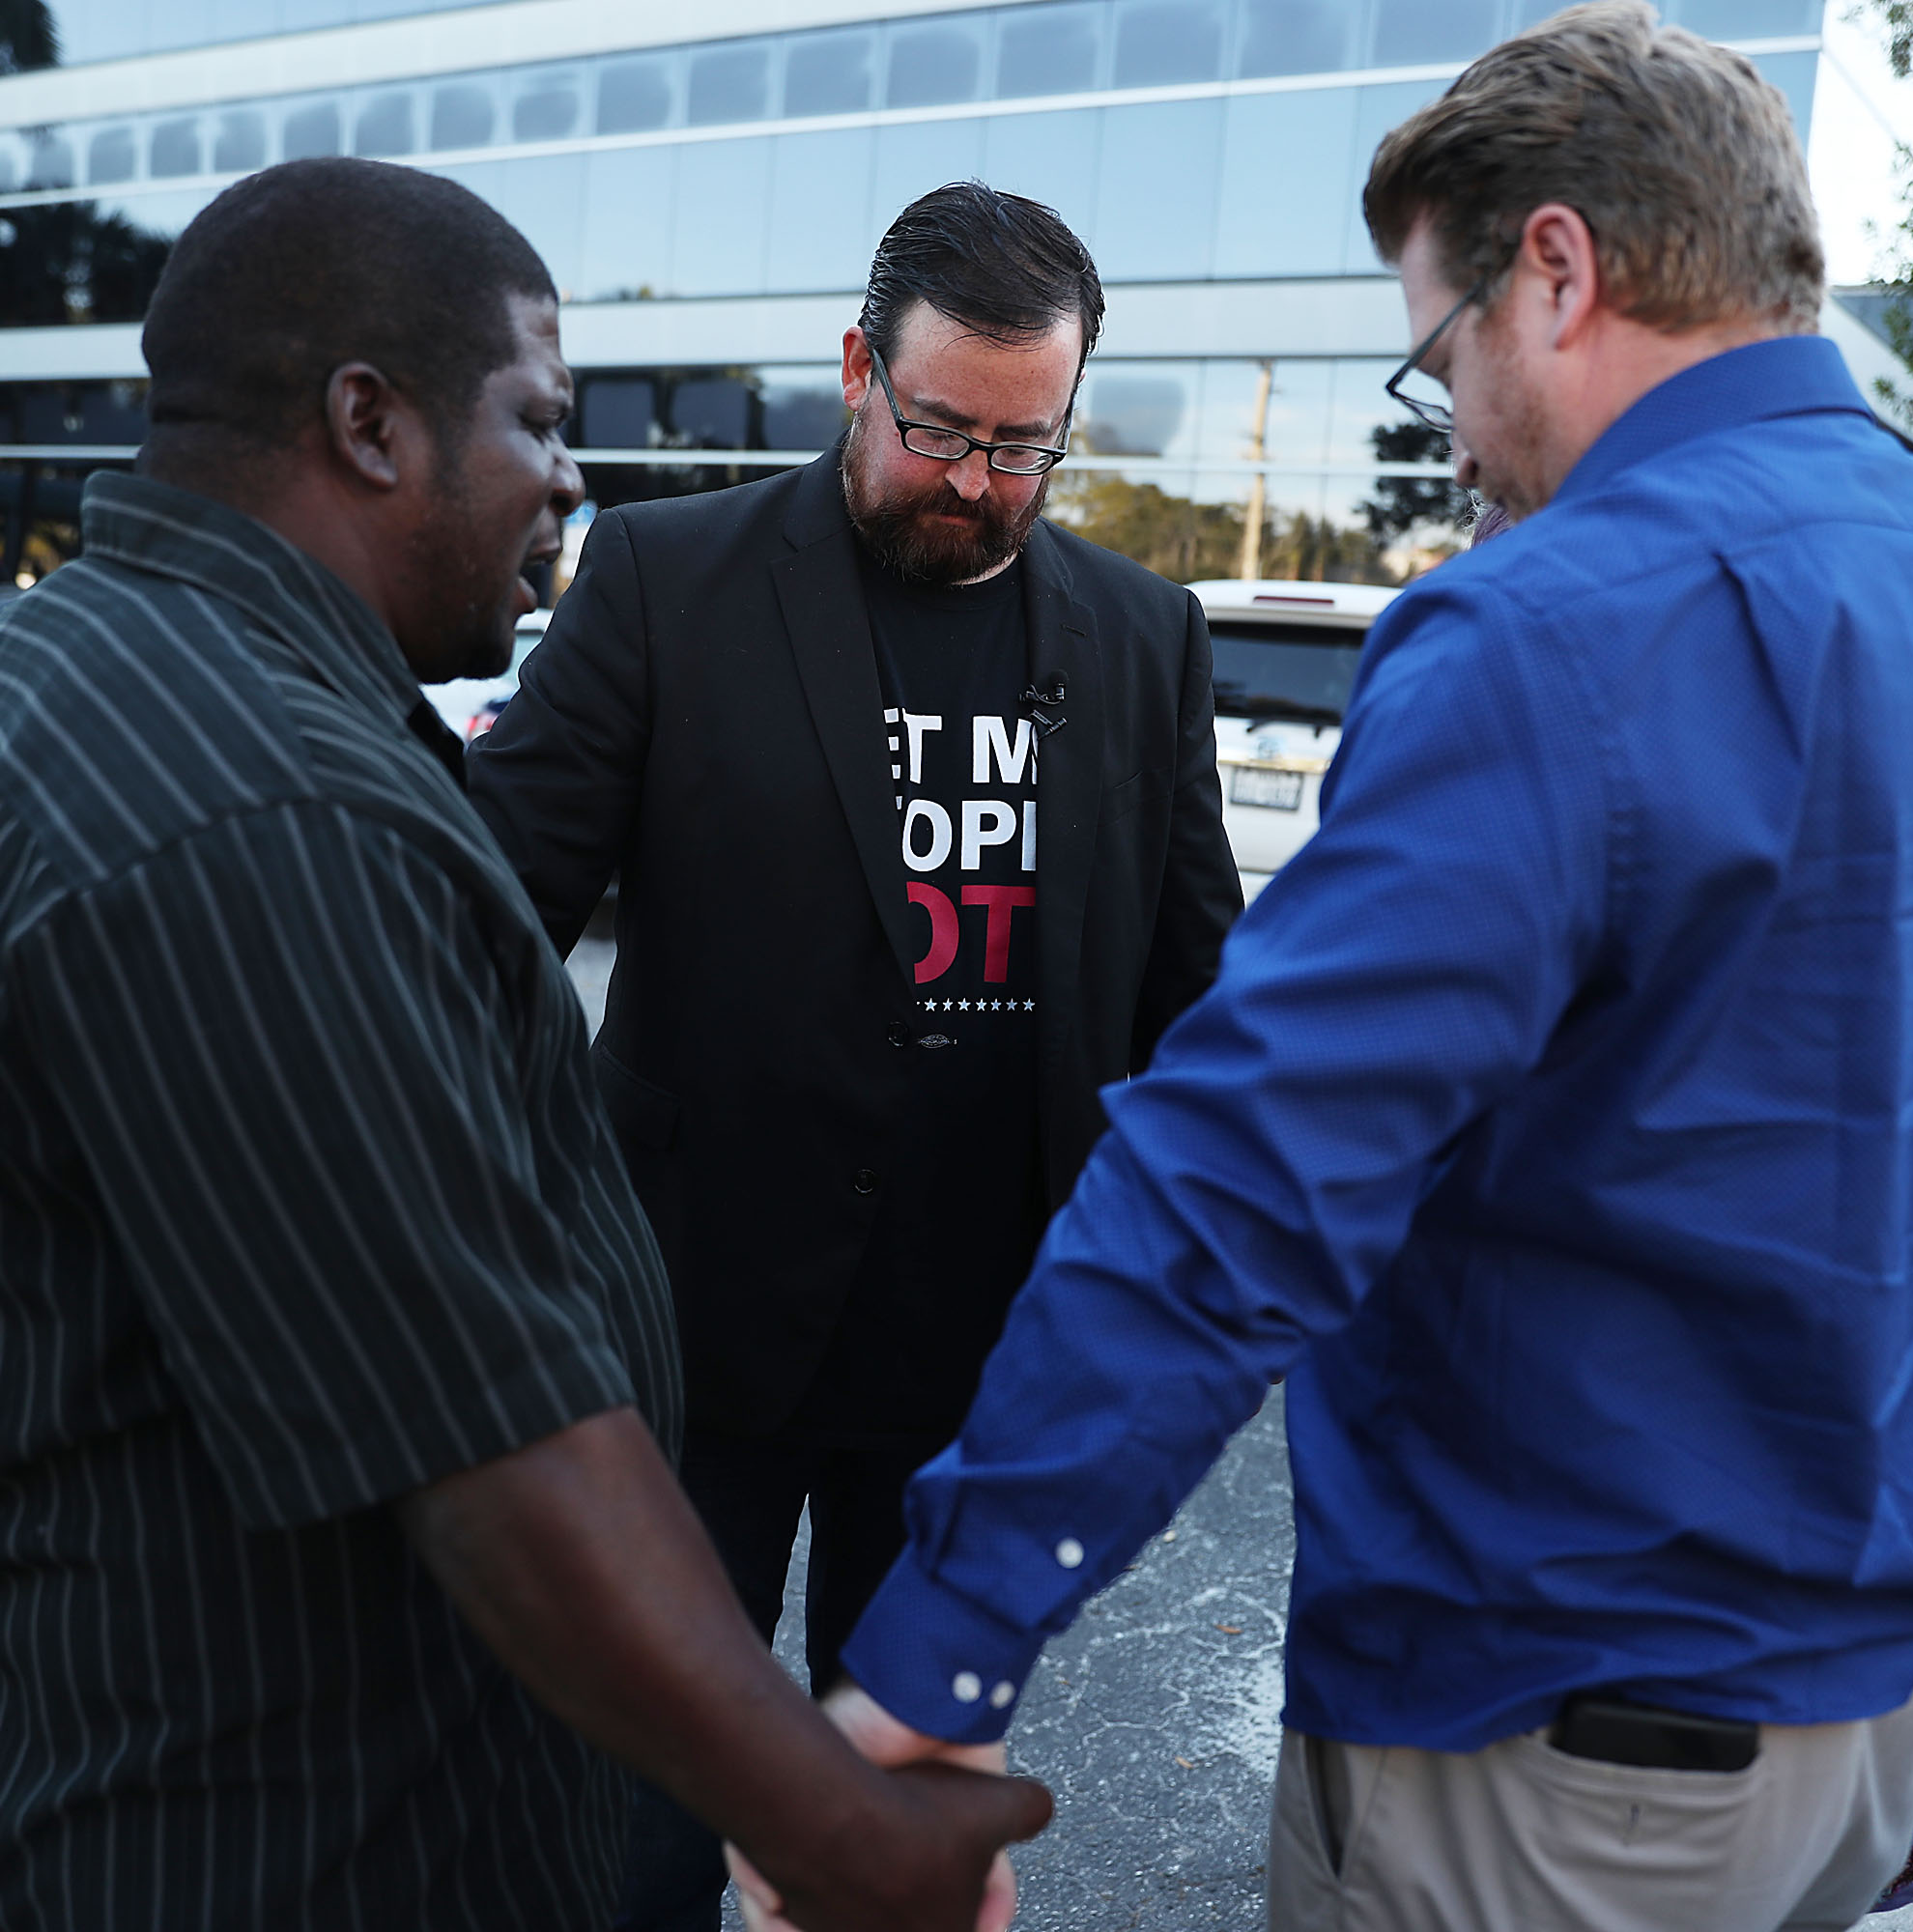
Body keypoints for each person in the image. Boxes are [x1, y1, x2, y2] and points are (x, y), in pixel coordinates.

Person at [802, 7, 1913, 1930]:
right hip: (1863, 1718)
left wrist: (942, 1652)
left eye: (1441, 352)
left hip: (1555, 1751)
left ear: (1558, 272)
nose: (1460, 425)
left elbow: (1240, 1188)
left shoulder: (1547, 630)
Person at [0, 157, 1046, 1932]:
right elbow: (488, 1449)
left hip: (126, 1745)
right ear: (371, 424)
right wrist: (840, 1830)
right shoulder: (240, 801)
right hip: (280, 1837)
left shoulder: (55, 682)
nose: (566, 477)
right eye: (536, 419)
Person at [466, 182, 1239, 1930]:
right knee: (643, 1818)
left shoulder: (1142, 641)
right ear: (854, 374)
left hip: (976, 1375)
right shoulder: (670, 579)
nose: (973, 481)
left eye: (1021, 447)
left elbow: (1201, 1006)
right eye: (939, 428)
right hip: (684, 1340)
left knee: (893, 1851)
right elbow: (481, 920)